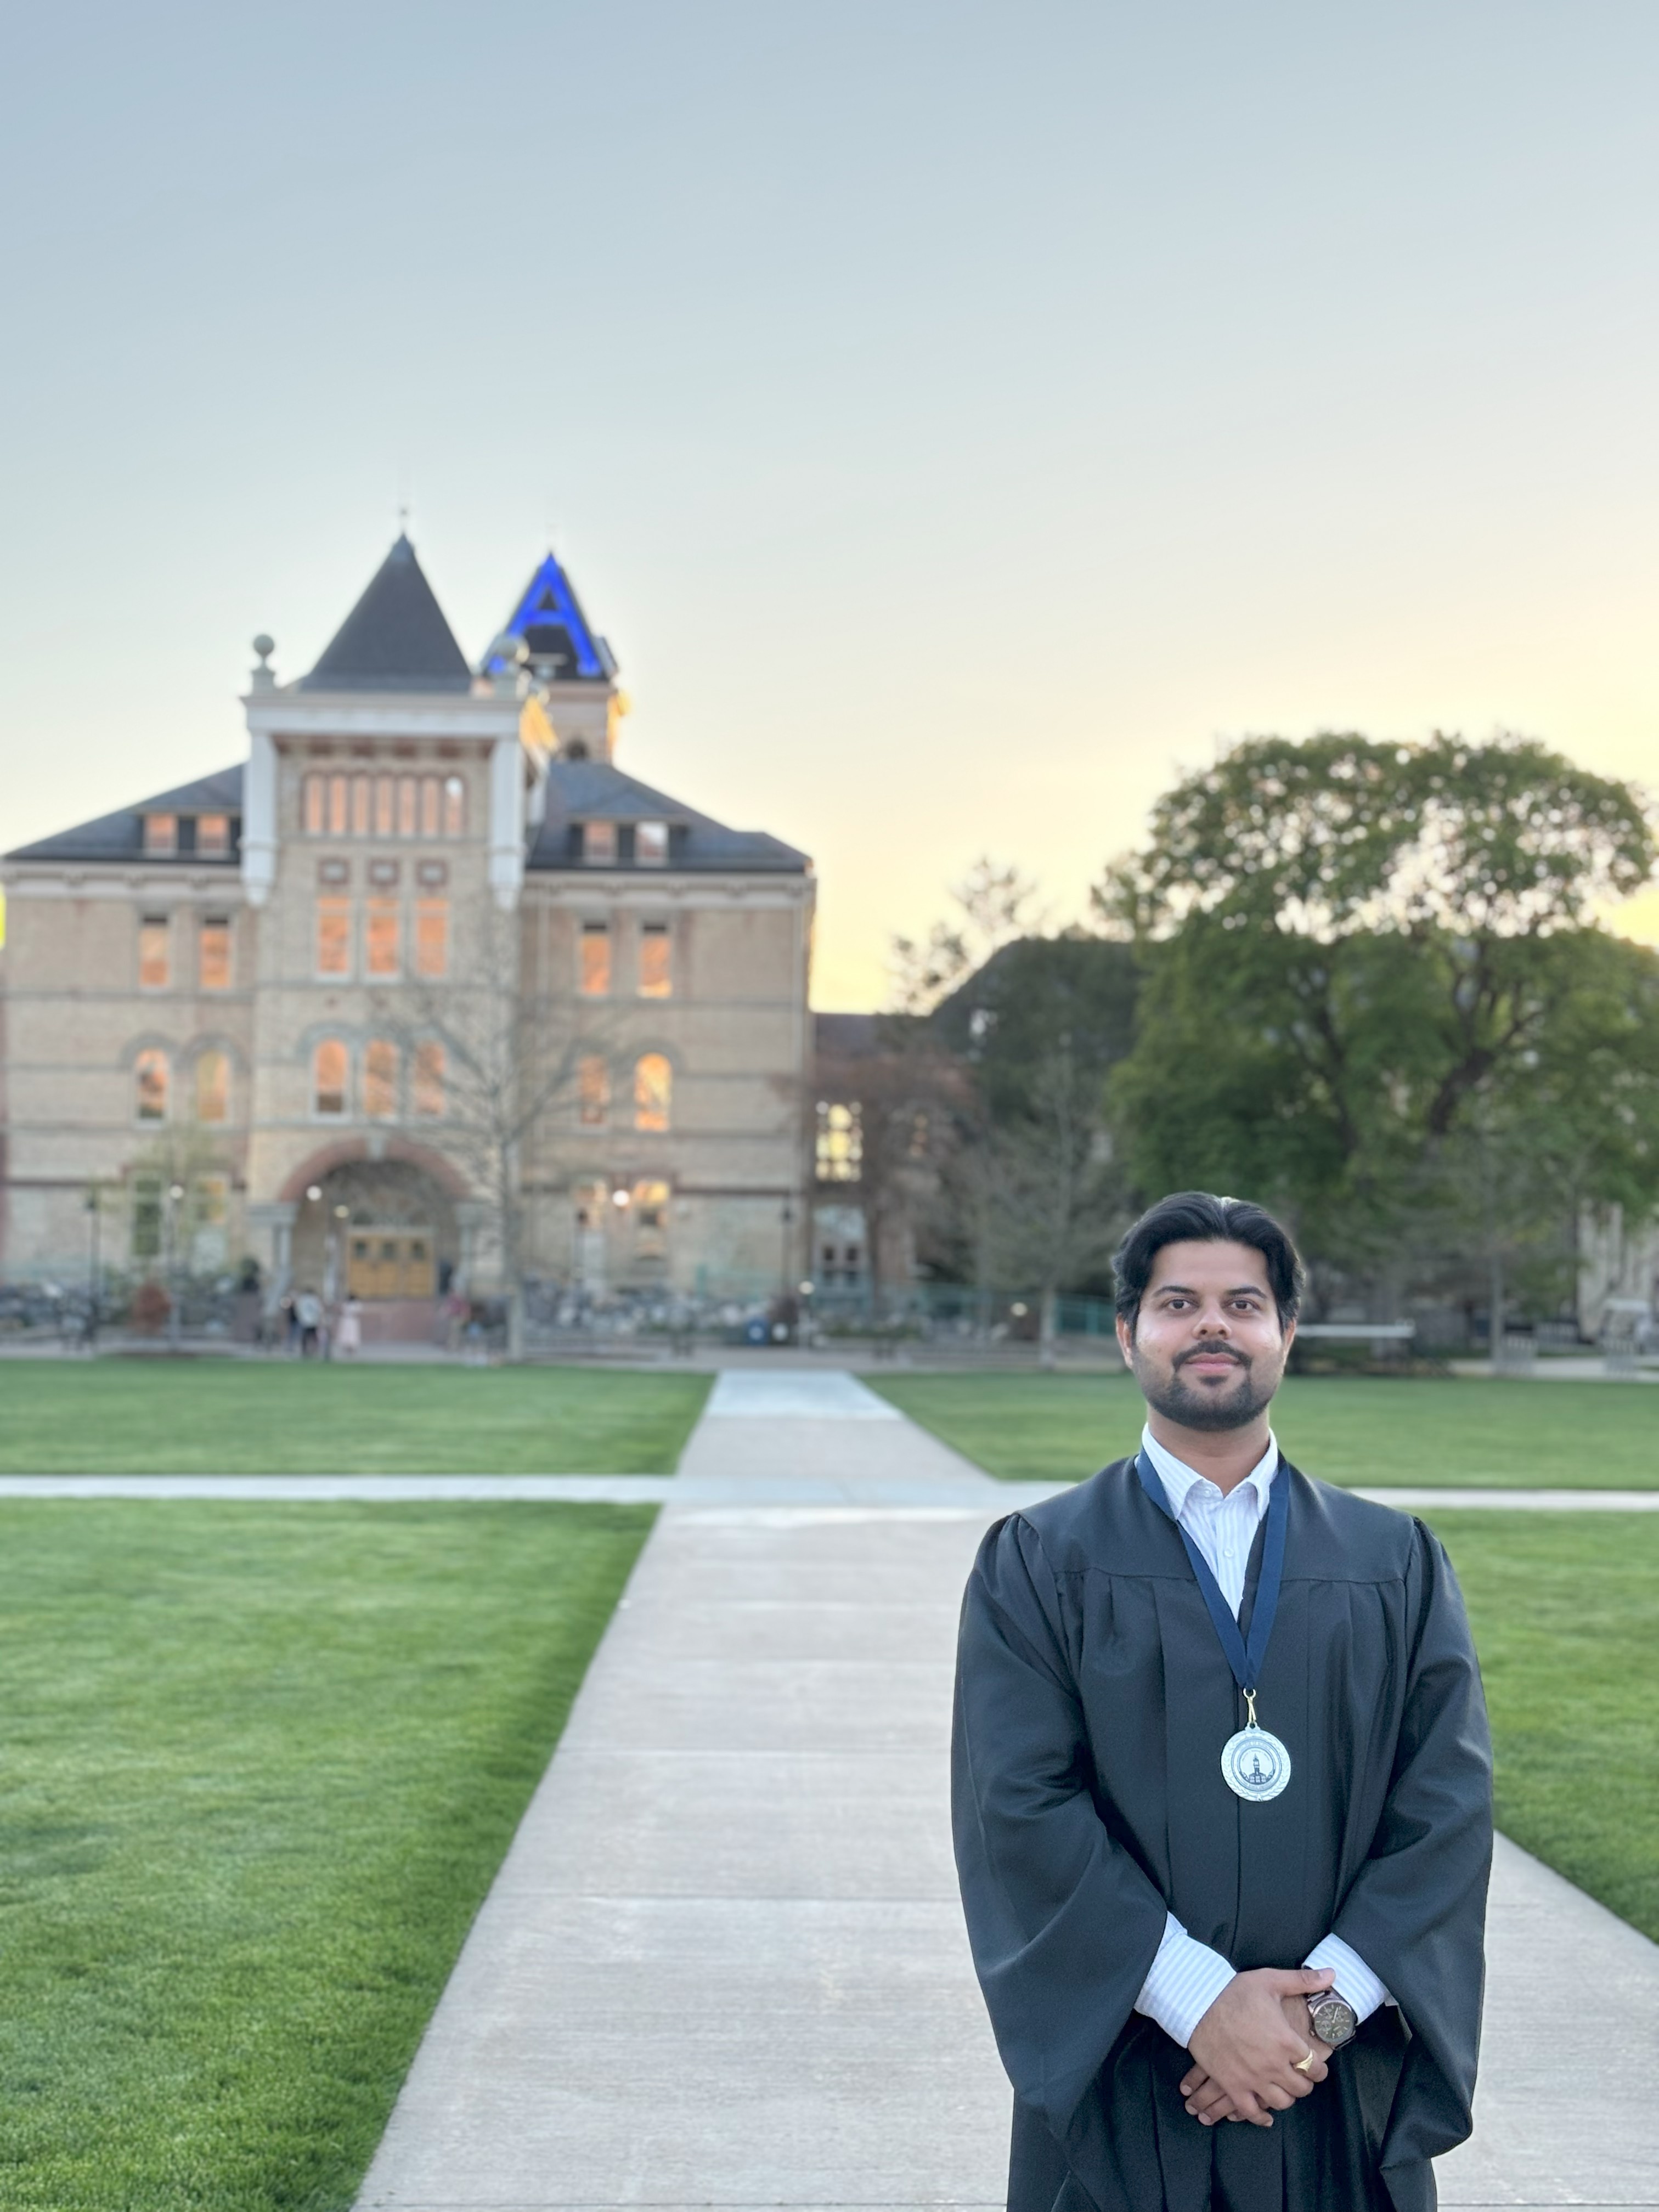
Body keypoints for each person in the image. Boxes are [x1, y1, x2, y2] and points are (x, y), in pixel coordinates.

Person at [952, 1192, 1492, 2212]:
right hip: (1128, 2077)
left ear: (1287, 1333)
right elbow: (1019, 1811)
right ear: (1127, 1334)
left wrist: (1307, 2028)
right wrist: (1201, 2006)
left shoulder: (1393, 1562)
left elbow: (1446, 1815)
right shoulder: (1039, 1560)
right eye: (1178, 1303)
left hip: (1334, 2085)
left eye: (1244, 1304)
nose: (1212, 1326)